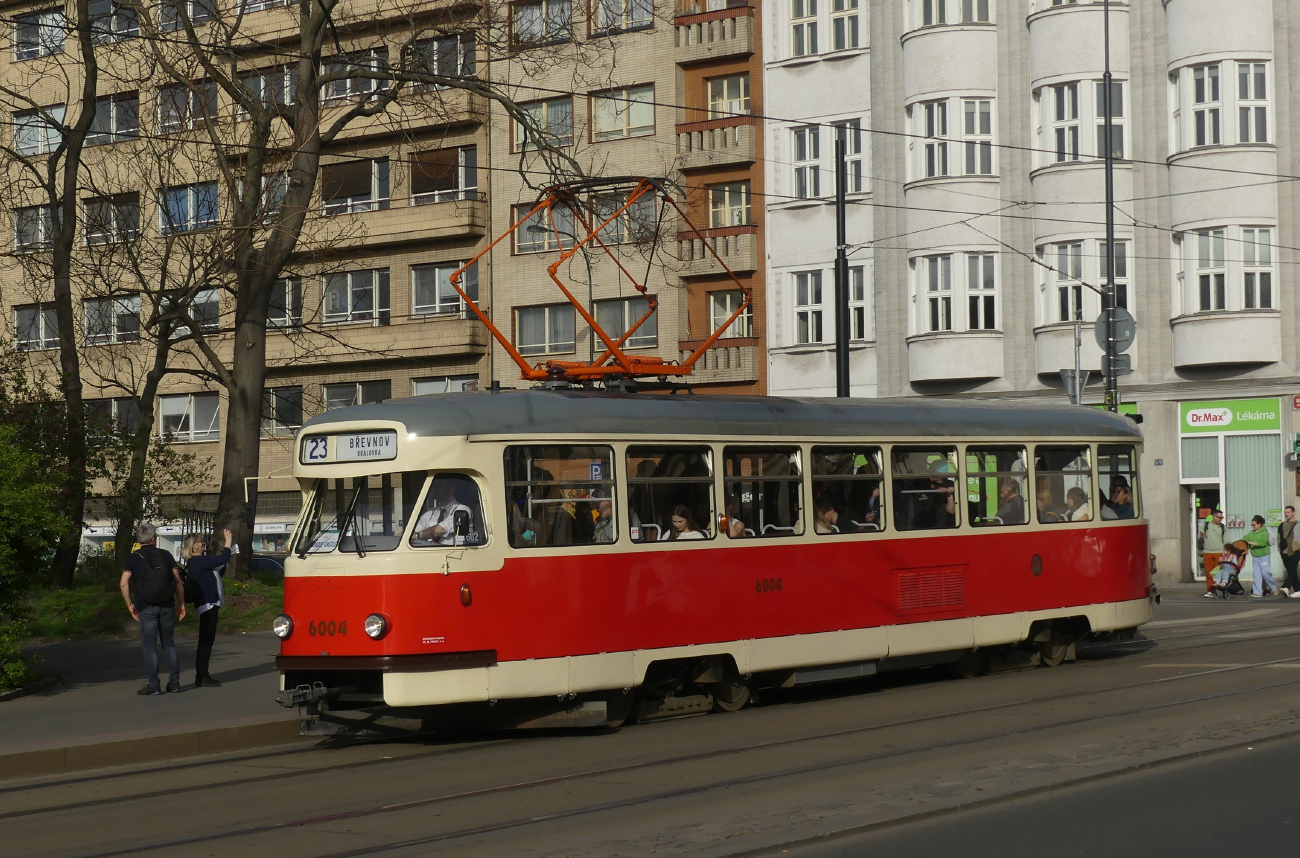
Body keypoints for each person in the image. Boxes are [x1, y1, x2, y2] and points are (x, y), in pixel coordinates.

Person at [119, 522, 186, 695]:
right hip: (166, 605)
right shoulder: (165, 555)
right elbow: (177, 581)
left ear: (139, 539)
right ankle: (175, 683)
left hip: (146, 606)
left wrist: (130, 605)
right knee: (169, 644)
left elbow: (124, 583)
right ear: (154, 538)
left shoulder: (133, 558)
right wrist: (182, 603)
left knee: (149, 646)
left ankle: (154, 685)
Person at [185, 529, 233, 688]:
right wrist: (228, 541)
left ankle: (202, 674)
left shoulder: (202, 561)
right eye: (199, 541)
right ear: (193, 547)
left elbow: (219, 567)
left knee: (207, 640)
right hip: (207, 603)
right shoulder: (197, 561)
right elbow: (223, 557)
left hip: (210, 603)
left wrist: (223, 562)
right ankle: (202, 675)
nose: (203, 543)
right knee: (206, 640)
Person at [413, 478, 473, 545]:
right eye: (434, 487)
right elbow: (415, 530)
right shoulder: (431, 512)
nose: (434, 490)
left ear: (451, 489)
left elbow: (441, 529)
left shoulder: (463, 510)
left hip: (455, 553)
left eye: (438, 486)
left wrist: (418, 535)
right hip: (432, 553)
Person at [1243, 514, 1279, 597]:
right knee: (1256, 574)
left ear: (1260, 524)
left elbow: (1263, 543)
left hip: (1264, 555)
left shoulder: (1265, 532)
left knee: (1266, 573)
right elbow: (1244, 538)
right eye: (1252, 525)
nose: (1253, 526)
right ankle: (1257, 592)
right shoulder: (1251, 533)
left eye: (1254, 524)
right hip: (1255, 556)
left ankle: (1273, 588)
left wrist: (1250, 543)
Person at [1199, 509, 1227, 598]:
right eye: (1219, 517)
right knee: (1209, 573)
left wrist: (1226, 553)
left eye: (1222, 517)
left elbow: (1227, 541)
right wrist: (1200, 536)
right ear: (1214, 516)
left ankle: (1221, 588)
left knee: (1218, 572)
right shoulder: (1205, 525)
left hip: (1219, 552)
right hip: (1207, 552)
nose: (1221, 519)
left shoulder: (1223, 527)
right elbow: (1199, 537)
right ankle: (1211, 590)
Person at [1278, 506, 1300, 597]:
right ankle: (1298, 590)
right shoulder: (1282, 525)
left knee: (1292, 570)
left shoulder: (1298, 524)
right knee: (1291, 570)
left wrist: (1297, 547)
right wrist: (1279, 548)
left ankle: (1286, 587)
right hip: (1284, 551)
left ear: (1293, 513)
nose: (1286, 514)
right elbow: (1279, 537)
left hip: (1295, 550)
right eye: (1285, 512)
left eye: (1288, 512)